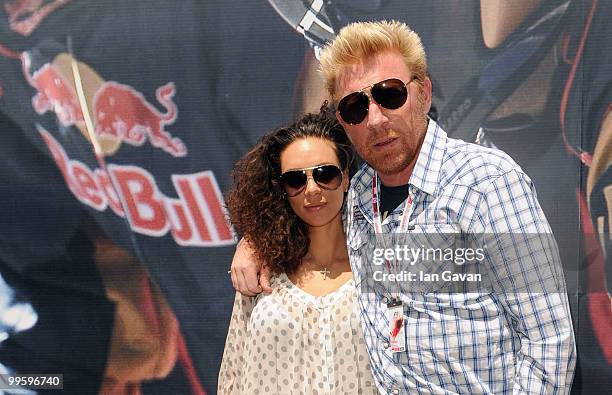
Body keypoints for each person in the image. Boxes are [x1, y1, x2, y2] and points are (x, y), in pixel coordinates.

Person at [231, 20, 576, 394]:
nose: (376, 119)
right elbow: (302, 211)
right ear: (344, 122)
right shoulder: (356, 195)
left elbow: (549, 341)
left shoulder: (486, 183)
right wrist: (253, 243)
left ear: (424, 94)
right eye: (355, 106)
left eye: (390, 95)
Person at [218, 110, 377, 394]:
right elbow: (233, 374)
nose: (312, 189)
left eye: (325, 174)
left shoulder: (382, 264)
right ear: (282, 189)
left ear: (347, 176)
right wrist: (252, 242)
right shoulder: (262, 272)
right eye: (296, 180)